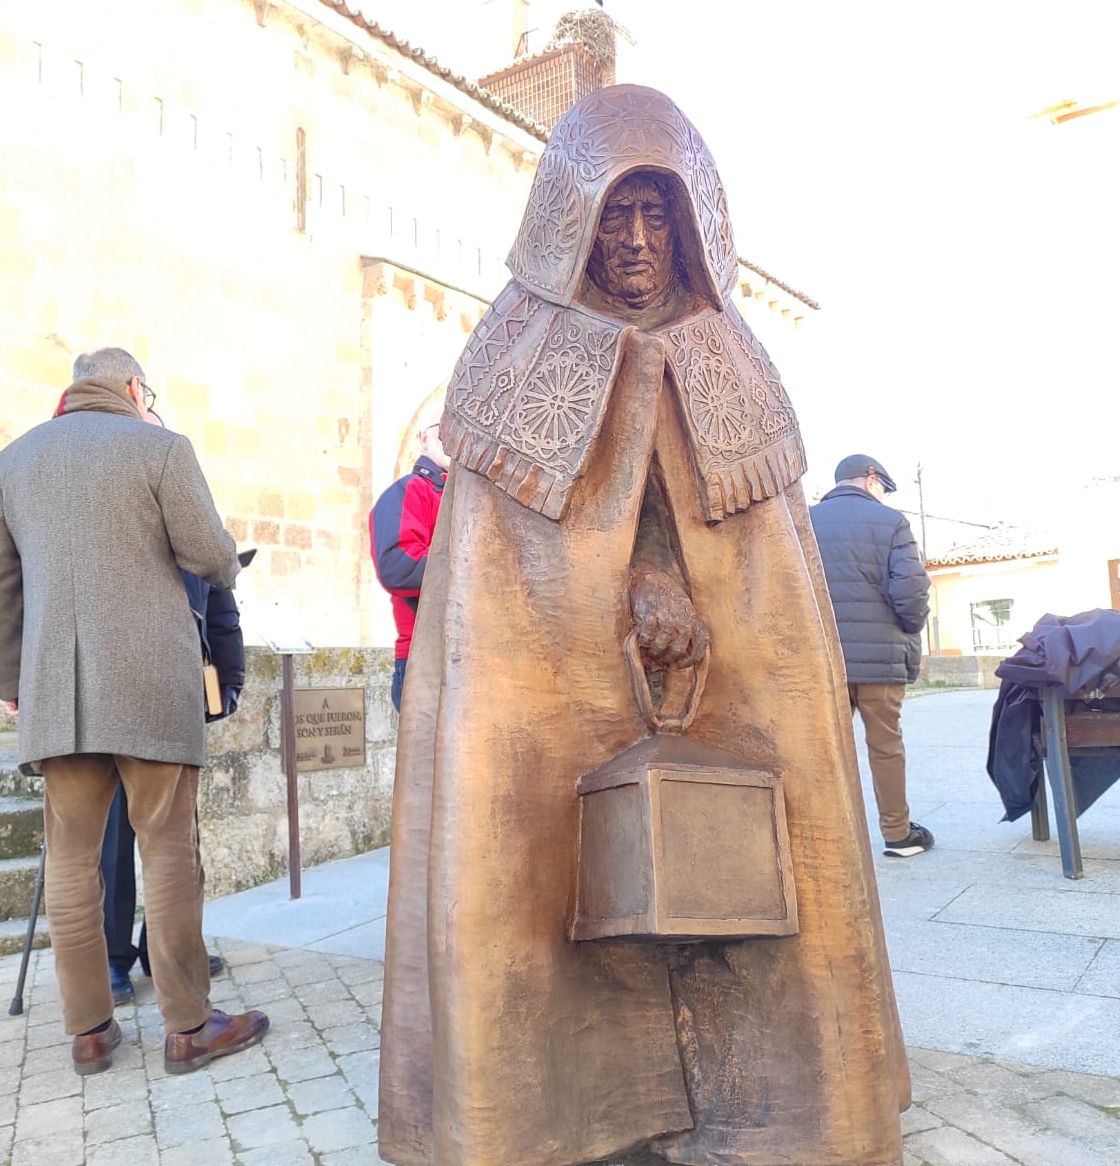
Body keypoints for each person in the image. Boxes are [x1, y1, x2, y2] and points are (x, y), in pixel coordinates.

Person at [379, 84, 908, 1166]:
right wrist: (629, 587)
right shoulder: (512, 356)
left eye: (654, 216)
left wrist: (678, 573)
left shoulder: (732, 352)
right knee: (529, 862)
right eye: (611, 216)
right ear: (567, 223)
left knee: (770, 855)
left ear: (691, 225)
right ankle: (557, 1107)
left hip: (729, 676)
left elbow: (755, 547)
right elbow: (511, 558)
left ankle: (771, 1101)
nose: (630, 243)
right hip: (551, 678)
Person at [0, 347, 268, 1076]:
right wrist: (229, 561)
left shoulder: (12, 462)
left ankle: (90, 1032)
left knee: (72, 861)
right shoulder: (159, 448)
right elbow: (209, 553)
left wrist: (12, 678)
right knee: (166, 849)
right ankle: (188, 1027)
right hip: (148, 685)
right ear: (134, 388)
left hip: (55, 693)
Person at [99, 407, 246, 1006]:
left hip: (172, 695)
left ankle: (168, 951)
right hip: (106, 695)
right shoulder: (105, 513)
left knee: (176, 839)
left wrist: (229, 679)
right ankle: (111, 959)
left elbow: (221, 599)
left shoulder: (186, 511)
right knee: (113, 840)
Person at [810, 453, 935, 858]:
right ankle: (898, 834)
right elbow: (911, 589)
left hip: (822, 660)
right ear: (869, 478)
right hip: (880, 659)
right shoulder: (891, 523)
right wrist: (908, 628)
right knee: (885, 746)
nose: (883, 494)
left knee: (825, 750)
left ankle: (828, 840)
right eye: (883, 486)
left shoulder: (802, 523)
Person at [368, 422, 447, 711]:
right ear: (423, 437)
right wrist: (471, 569)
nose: (452, 433)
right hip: (426, 660)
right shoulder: (410, 490)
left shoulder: (467, 499)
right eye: (443, 425)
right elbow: (397, 566)